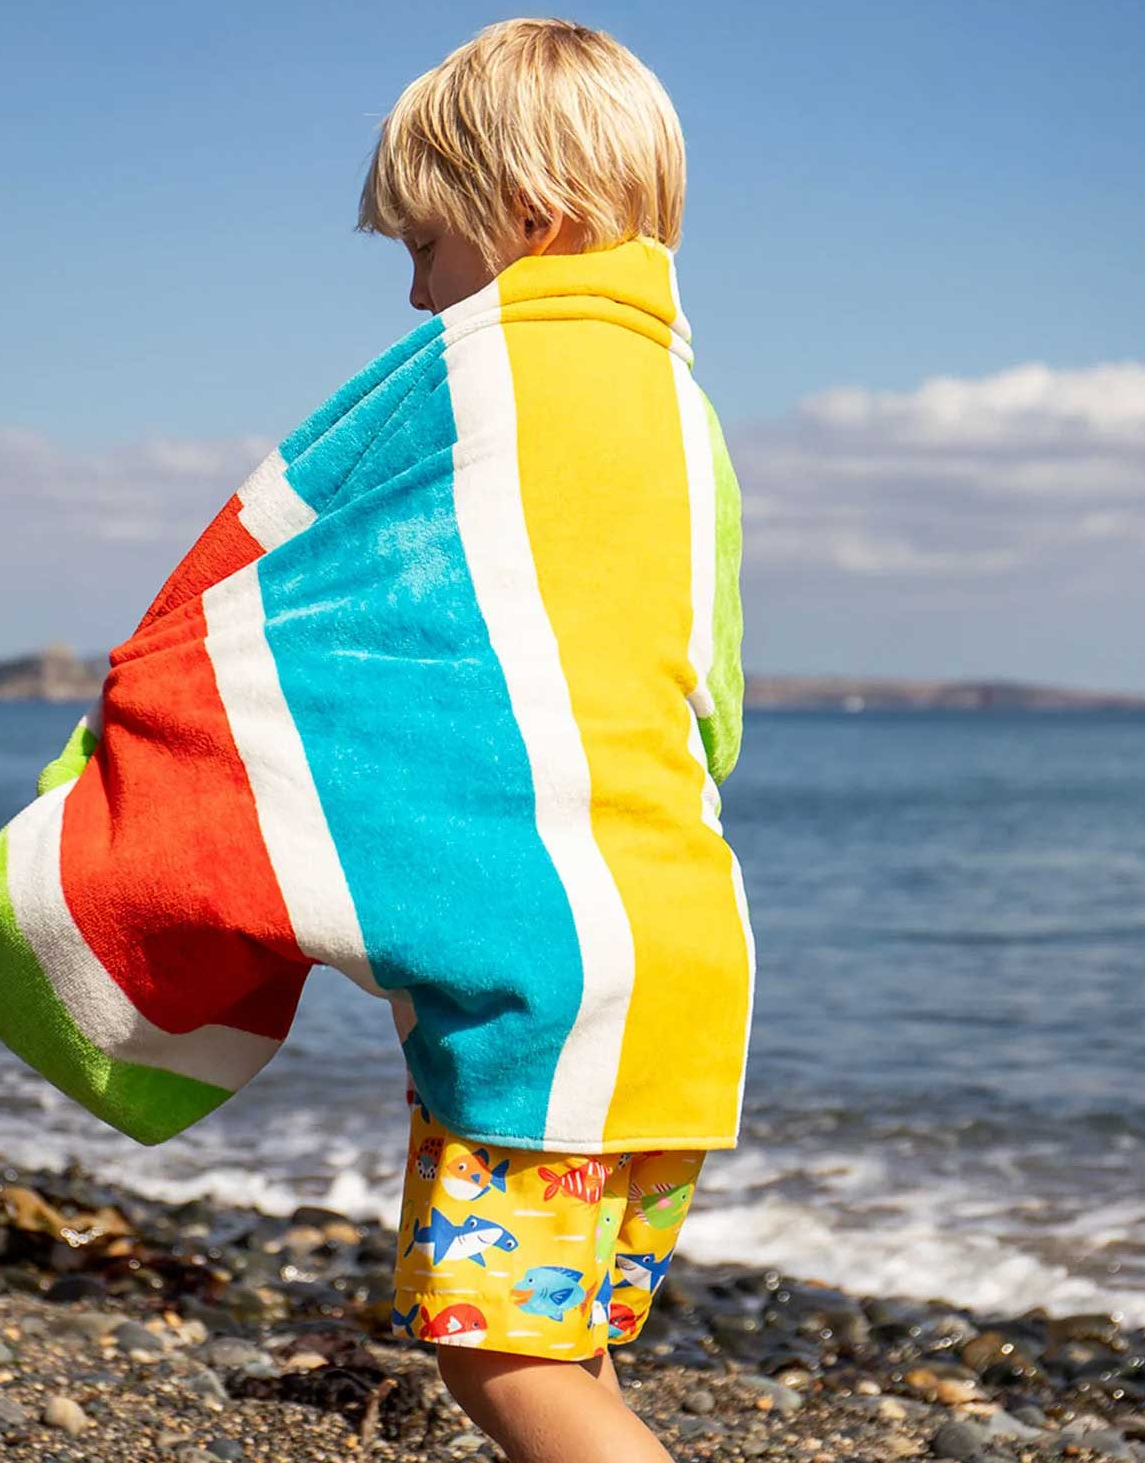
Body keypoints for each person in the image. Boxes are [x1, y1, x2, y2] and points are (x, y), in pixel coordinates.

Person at [353, 19, 755, 1463]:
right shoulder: (677, 413)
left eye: (423, 245)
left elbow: (396, 652)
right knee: (566, 1337)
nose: (413, 291)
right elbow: (707, 701)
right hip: (680, 968)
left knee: (500, 1358)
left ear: (530, 221)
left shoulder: (508, 397)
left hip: (550, 973)